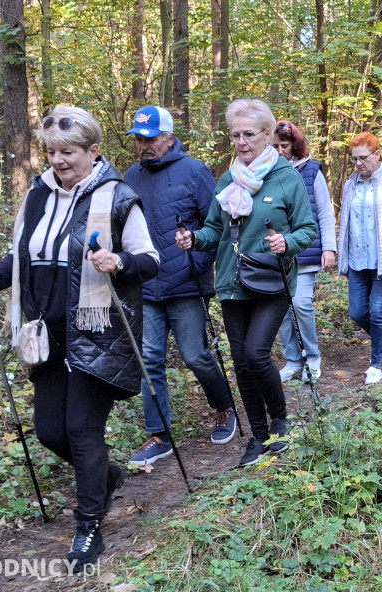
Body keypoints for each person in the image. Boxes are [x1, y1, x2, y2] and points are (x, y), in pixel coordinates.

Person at [0, 105, 160, 571]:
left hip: (97, 331)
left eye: (68, 152)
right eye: (51, 152)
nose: (58, 160)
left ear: (93, 151)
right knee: (51, 431)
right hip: (45, 333)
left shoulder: (118, 198)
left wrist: (119, 263)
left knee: (81, 429)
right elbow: (22, 257)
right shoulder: (37, 196)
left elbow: (149, 259)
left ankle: (88, 527)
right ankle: (105, 477)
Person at [175, 99, 317, 467]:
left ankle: (280, 422)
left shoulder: (286, 177)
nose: (241, 142)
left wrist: (287, 242)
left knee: (256, 353)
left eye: (249, 135)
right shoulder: (228, 179)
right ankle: (258, 436)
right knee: (240, 362)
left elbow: (308, 229)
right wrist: (194, 239)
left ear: (267, 135)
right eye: (235, 135)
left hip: (272, 280)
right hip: (232, 282)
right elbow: (213, 231)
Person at [122, 105, 237, 468]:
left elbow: (215, 226)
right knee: (149, 360)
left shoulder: (195, 171)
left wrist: (199, 265)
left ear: (170, 137)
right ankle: (159, 434)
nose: (145, 145)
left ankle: (224, 408)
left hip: (187, 284)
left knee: (195, 355)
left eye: (151, 138)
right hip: (147, 286)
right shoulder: (130, 177)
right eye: (139, 139)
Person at [337, 132, 382, 385]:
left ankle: (376, 364)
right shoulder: (350, 184)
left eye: (363, 158)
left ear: (378, 155)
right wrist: (342, 256)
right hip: (358, 258)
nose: (358, 164)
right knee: (358, 312)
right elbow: (345, 223)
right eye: (354, 159)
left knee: (378, 311)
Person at [271, 120, 337, 383]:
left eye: (284, 146)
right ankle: (292, 360)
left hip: (307, 253)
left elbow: (324, 212)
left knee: (300, 304)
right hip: (277, 255)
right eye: (274, 146)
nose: (279, 151)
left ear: (294, 145)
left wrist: (329, 247)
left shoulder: (312, 171)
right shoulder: (268, 173)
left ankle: (312, 357)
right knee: (281, 309)